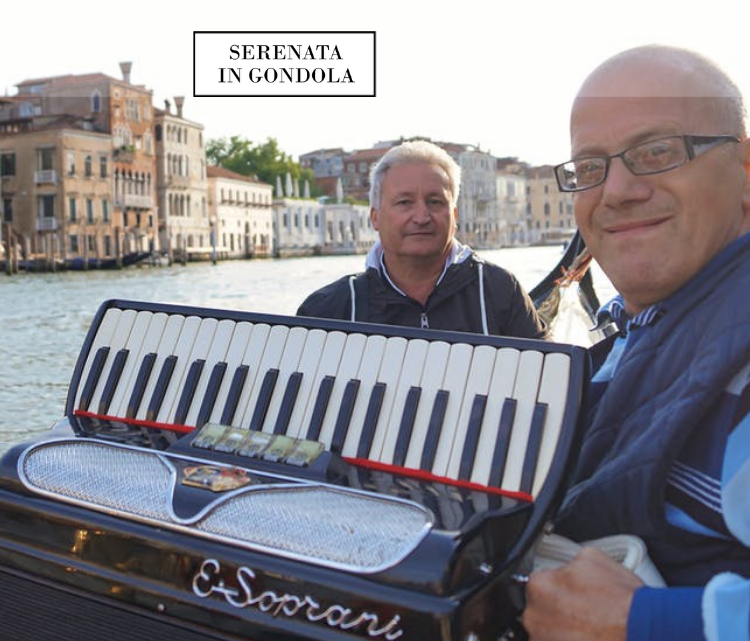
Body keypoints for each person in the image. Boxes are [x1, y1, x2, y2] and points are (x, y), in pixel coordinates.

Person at [523, 45, 750, 641]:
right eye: (590, 168)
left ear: (746, 169)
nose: (617, 191)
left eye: (657, 152)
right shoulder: (637, 328)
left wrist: (643, 622)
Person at [297, 140, 548, 339]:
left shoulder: (500, 291)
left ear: (455, 215)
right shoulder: (329, 311)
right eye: (404, 202)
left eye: (435, 202)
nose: (421, 216)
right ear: (375, 217)